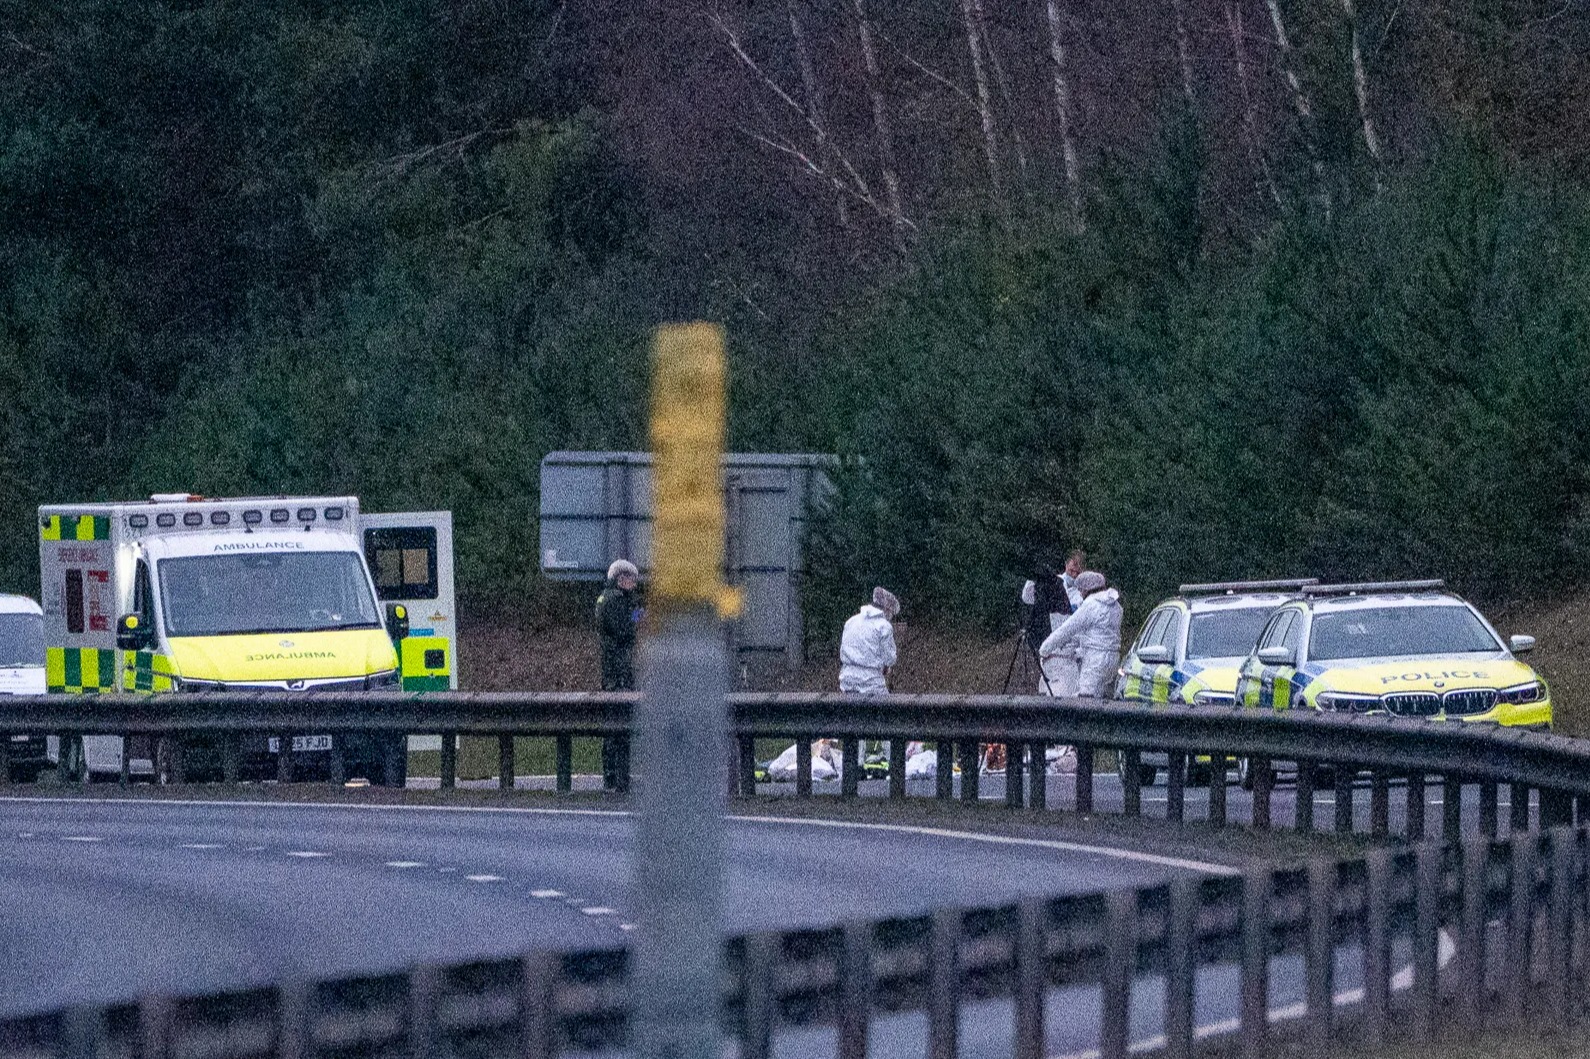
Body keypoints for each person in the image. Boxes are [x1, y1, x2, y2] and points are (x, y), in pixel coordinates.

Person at [1039, 571, 1123, 697]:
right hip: (1113, 660)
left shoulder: (1090, 605)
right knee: (1104, 699)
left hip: (1095, 662)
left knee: (1085, 701)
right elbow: (1098, 636)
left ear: (1086, 589)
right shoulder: (1115, 605)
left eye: (1080, 590)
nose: (1080, 594)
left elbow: (1067, 630)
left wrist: (1044, 649)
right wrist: (1078, 651)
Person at [595, 559, 641, 791]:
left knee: (614, 725)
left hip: (612, 671)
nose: (634, 583)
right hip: (618, 673)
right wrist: (637, 614)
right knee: (618, 726)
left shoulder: (605, 598)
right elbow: (626, 631)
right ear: (621, 579)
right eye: (631, 579)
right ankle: (615, 777)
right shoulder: (615, 601)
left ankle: (614, 776)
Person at [1020, 563, 1076, 696]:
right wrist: (1034, 579)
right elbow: (1027, 598)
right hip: (1049, 652)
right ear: (1066, 564)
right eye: (1071, 570)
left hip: (1063, 654)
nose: (1073, 574)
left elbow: (1067, 629)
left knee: (1059, 694)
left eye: (1076, 572)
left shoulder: (1067, 589)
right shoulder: (1051, 584)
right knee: (1045, 690)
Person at [839, 586, 899, 694]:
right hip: (872, 685)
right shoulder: (884, 626)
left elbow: (844, 652)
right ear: (888, 609)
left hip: (847, 683)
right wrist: (886, 667)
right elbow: (890, 659)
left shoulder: (851, 622)